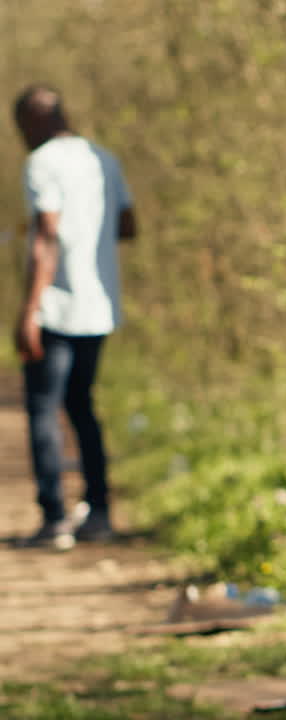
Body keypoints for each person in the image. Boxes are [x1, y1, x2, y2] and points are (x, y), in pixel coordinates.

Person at [12, 86, 136, 548]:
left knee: (44, 409)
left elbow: (46, 234)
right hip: (99, 306)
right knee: (82, 407)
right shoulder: (102, 158)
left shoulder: (42, 161)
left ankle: (55, 517)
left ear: (31, 122)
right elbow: (127, 224)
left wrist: (29, 310)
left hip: (57, 305)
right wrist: (91, 240)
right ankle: (99, 511)